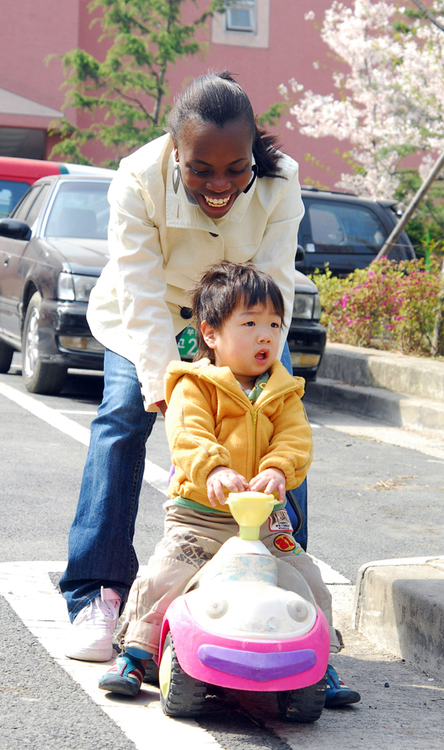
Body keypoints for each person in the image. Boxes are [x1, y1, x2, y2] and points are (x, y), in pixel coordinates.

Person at [60, 71, 308, 664]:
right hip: (149, 312)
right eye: (201, 169)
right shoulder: (137, 178)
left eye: (235, 168)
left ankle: (285, 588)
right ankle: (98, 591)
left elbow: (273, 289)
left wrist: (247, 362)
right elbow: (140, 292)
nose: (219, 184)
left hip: (240, 315)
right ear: (176, 150)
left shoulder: (283, 183)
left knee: (279, 424)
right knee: (123, 414)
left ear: (253, 154)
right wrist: (168, 387)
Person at [98, 262, 360, 708]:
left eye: (274, 324)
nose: (266, 335)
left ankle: (321, 663)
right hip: (201, 517)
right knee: (168, 572)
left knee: (307, 578)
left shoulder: (284, 392)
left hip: (265, 521)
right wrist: (214, 468)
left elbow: (296, 439)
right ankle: (136, 654)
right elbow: (188, 435)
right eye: (251, 323)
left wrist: (279, 468)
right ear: (212, 334)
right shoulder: (193, 385)